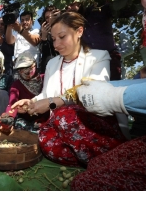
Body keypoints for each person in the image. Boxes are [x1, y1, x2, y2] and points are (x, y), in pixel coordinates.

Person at [11, 12, 127, 167]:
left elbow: (94, 93)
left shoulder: (98, 57)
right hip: (61, 124)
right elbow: (46, 94)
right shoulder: (52, 63)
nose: (56, 44)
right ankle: (96, 159)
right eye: (53, 39)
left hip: (93, 124)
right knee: (45, 139)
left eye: (62, 37)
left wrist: (53, 103)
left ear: (79, 31)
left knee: (65, 115)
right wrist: (31, 102)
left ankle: (109, 155)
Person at [70, 78, 146, 190]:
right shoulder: (51, 63)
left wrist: (114, 98)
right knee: (96, 163)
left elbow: (103, 96)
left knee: (84, 184)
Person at [66, 0, 136, 81]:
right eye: (67, 7)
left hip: (110, 58)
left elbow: (126, 11)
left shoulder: (98, 9)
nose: (69, 7)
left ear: (80, 1)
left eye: (71, 4)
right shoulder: (73, 24)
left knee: (113, 87)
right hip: (90, 63)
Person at [0, 51, 49, 134]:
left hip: (45, 118)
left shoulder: (45, 78)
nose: (26, 72)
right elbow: (12, 104)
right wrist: (9, 117)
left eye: (29, 67)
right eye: (22, 70)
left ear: (35, 65)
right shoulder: (16, 85)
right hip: (26, 120)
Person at [38, 5, 60, 73]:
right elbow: (44, 52)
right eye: (47, 18)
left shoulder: (64, 27)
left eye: (52, 15)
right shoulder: (44, 32)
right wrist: (44, 36)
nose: (50, 19)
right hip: (48, 68)